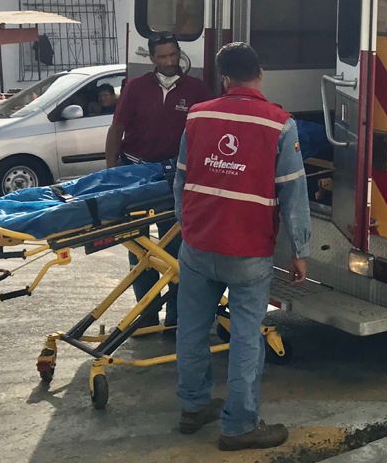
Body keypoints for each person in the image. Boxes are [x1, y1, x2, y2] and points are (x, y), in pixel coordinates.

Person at [173, 42, 309, 450]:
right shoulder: (279, 124)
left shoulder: (198, 116)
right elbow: (293, 193)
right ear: (260, 74)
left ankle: (194, 407)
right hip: (248, 250)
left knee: (191, 330)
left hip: (198, 245)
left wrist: (189, 226)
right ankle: (239, 426)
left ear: (225, 78)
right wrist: (299, 250)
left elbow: (180, 179)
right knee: (247, 337)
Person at [106, 32, 212, 328]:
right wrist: (111, 170)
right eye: (163, 57)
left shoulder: (196, 90)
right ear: (152, 58)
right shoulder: (136, 87)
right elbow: (117, 128)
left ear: (179, 54)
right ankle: (147, 314)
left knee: (174, 249)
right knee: (138, 247)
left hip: (173, 178)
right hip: (135, 173)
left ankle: (175, 317)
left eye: (173, 55)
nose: (169, 61)